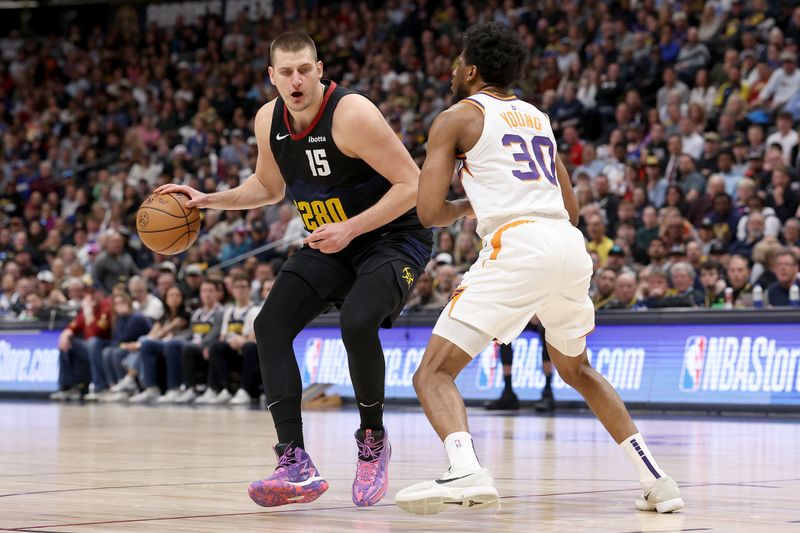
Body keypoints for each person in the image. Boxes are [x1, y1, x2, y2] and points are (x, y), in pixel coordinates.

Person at [395, 23, 683, 516]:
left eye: (456, 61)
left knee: (433, 373)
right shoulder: (539, 118)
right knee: (578, 369)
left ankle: (465, 468)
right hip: (569, 247)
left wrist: (471, 205)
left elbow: (427, 212)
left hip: (519, 243)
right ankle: (656, 480)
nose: (450, 69)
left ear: (471, 69)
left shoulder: (456, 118)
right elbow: (570, 209)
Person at [156, 31, 432, 508]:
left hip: (392, 237)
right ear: (272, 77)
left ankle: (372, 440)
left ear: (320, 69)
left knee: (358, 320)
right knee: (269, 325)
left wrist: (352, 228)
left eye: (304, 69)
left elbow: (413, 184)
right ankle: (294, 460)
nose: (296, 79)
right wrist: (208, 200)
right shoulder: (268, 120)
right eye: (286, 72)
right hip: (330, 241)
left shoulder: (352, 114)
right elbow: (267, 186)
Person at [201, 274, 261, 405]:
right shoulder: (229, 311)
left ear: (249, 289)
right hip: (233, 349)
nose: (240, 290)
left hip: (249, 351)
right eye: (237, 287)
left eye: (243, 287)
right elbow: (223, 336)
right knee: (216, 347)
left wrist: (242, 341)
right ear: (232, 290)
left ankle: (244, 390)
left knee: (249, 346)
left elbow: (254, 335)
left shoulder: (255, 310)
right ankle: (224, 389)